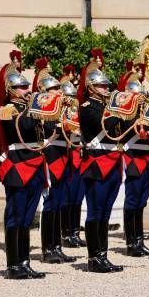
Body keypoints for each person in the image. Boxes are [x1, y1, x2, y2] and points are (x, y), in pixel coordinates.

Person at [0, 51, 47, 279]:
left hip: (35, 165)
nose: (28, 90)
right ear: (11, 90)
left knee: (27, 219)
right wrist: (37, 108)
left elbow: (46, 132)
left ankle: (24, 262)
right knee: (15, 216)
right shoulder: (8, 110)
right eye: (23, 87)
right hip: (18, 166)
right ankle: (13, 265)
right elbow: (23, 129)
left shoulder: (31, 109)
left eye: (28, 86)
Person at [77, 49, 124, 273]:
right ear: (91, 88)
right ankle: (93, 257)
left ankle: (103, 255)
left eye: (107, 85)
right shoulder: (88, 108)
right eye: (103, 86)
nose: (107, 88)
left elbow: (122, 127)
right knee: (95, 211)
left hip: (113, 159)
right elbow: (103, 124)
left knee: (106, 211)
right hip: (96, 161)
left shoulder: (108, 106)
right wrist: (126, 108)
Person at [33, 57, 76, 264]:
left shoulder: (60, 110)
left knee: (59, 204)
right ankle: (47, 249)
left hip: (62, 156)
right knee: (50, 204)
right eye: (55, 89)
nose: (60, 92)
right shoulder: (42, 111)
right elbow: (46, 132)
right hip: (50, 158)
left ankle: (56, 246)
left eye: (60, 88)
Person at [117, 62, 149, 257]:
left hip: (146, 158)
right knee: (132, 201)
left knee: (141, 202)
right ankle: (132, 242)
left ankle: (139, 240)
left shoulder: (145, 112)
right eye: (137, 96)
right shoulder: (125, 113)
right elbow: (126, 129)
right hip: (133, 157)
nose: (141, 99)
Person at [58, 65, 87, 248]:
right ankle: (66, 233)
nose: (71, 101)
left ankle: (75, 231)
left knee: (78, 197)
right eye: (68, 97)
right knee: (67, 197)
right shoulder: (59, 113)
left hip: (79, 154)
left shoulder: (79, 112)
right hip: (68, 156)